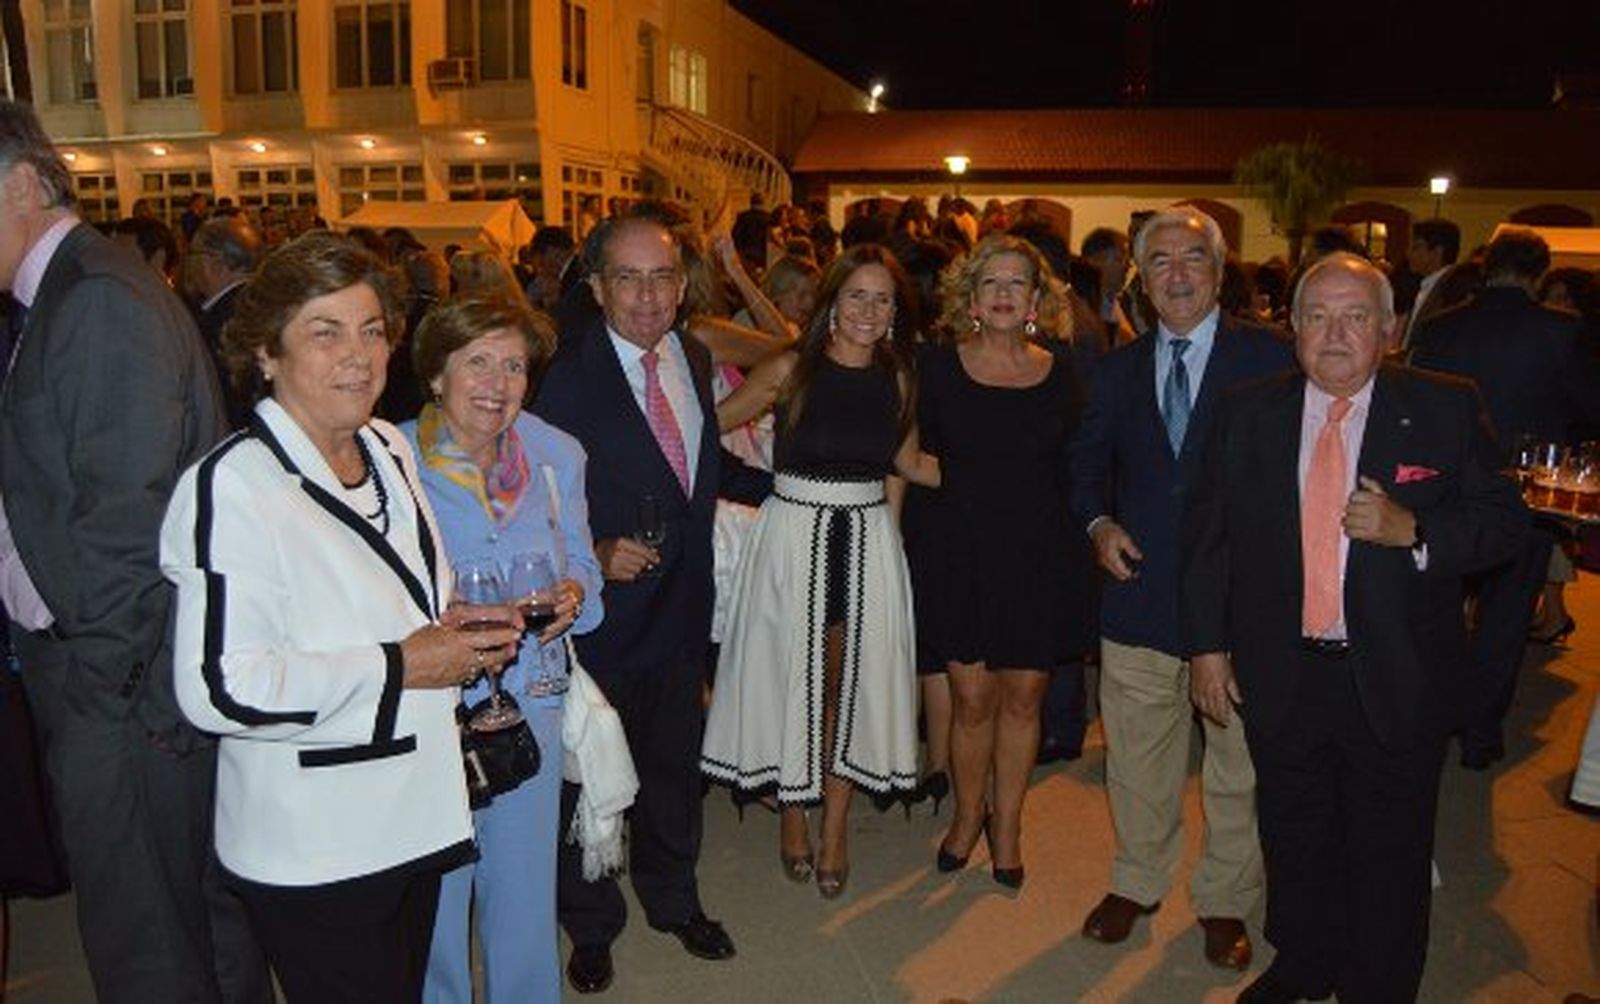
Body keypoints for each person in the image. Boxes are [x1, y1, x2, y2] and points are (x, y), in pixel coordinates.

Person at [161, 232, 524, 1002]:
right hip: (316, 842)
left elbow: (397, 601)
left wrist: (456, 623)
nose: (357, 355)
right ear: (266, 352)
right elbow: (220, 687)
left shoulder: (388, 447)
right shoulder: (232, 487)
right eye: (324, 332)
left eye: (370, 330)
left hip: (416, 810)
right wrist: (405, 664)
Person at [1181, 252, 1526, 1003]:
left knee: (1389, 848)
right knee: (1295, 837)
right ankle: (1304, 962)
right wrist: (1207, 647)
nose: (1334, 333)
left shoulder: (1445, 405)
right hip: (1282, 670)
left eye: (1355, 316)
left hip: (1396, 672)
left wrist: (1416, 529)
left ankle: (1378, 985)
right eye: (1317, 315)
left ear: (1390, 329)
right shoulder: (1248, 411)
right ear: (1292, 327)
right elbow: (1208, 539)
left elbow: (1506, 522)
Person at [0, 99, 269, 1003]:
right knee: (195, 921)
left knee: (148, 942)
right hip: (128, 686)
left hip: (119, 695)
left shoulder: (98, 300)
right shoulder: (73, 291)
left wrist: (93, 696)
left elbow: (126, 526)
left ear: (26, 182)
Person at [533, 215, 770, 994]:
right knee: (588, 774)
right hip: (605, 616)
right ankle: (591, 923)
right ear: (597, 287)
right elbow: (537, 496)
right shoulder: (564, 376)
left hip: (681, 608)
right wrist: (594, 554)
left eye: (662, 278)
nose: (646, 296)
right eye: (627, 279)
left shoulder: (694, 355)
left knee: (673, 769)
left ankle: (675, 900)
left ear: (682, 287)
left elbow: (694, 474)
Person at [1068, 205, 1291, 970]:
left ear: (1220, 270)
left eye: (1192, 257)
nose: (1177, 274)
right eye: (1158, 261)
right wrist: (1098, 523)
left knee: (1238, 767)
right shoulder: (1115, 369)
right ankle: (1136, 881)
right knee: (1135, 759)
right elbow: (1086, 465)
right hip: (1138, 595)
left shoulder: (1274, 362)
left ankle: (1226, 900)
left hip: (1238, 608)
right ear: (1140, 277)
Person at [702, 244, 936, 897]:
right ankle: (793, 814)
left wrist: (1012, 471)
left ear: (895, 312)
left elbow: (909, 466)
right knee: (789, 684)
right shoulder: (788, 369)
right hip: (791, 538)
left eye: (882, 298)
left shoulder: (899, 377)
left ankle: (834, 826)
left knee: (847, 691)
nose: (868, 309)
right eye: (856, 295)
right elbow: (709, 429)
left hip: (865, 544)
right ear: (832, 301)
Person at [405, 295, 604, 1004]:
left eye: (514, 365)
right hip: (432, 712)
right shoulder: (392, 462)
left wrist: (577, 593)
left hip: (531, 703)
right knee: (434, 902)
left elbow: (585, 566)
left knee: (524, 897)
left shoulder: (556, 456)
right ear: (436, 374)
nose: (498, 382)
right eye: (478, 362)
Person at [904, 235, 1091, 889]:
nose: (1005, 294)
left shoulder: (1064, 371)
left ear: (1038, 300)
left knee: (1024, 697)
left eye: (1019, 283)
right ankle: (965, 816)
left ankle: (1007, 827)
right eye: (992, 283)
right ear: (971, 300)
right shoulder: (933, 366)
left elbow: (1080, 468)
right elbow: (905, 457)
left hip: (1040, 554)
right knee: (972, 697)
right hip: (958, 552)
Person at [1410, 228, 1599, 769]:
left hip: (1444, 488)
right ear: (1539, 273)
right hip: (1525, 493)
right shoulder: (1562, 331)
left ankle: (1433, 713)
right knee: (1506, 616)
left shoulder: (1444, 326)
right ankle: (1480, 731)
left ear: (1488, 266)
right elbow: (1589, 404)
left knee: (1441, 609)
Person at [186, 215, 266, 429]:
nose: (188, 262)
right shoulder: (267, 305)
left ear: (215, 262)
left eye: (192, 254)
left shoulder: (217, 322)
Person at [1399, 217, 1461, 347]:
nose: (1408, 254)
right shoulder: (1427, 283)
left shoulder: (1450, 288)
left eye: (1416, 247)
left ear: (1437, 252)